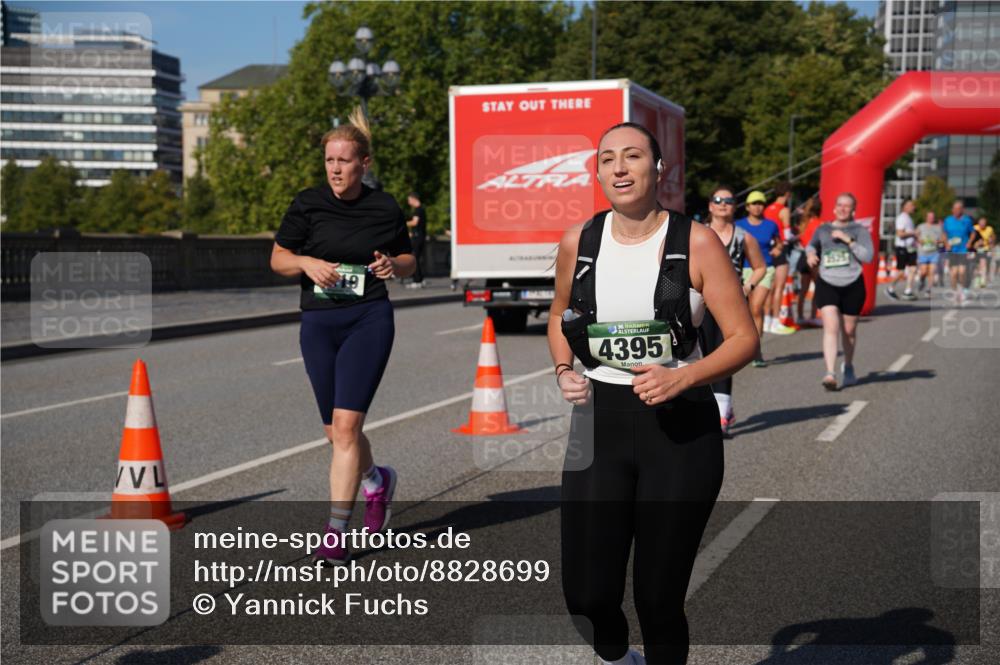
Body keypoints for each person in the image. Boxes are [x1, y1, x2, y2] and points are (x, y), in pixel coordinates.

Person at [547, 122, 758, 665]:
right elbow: (559, 316)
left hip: (681, 428)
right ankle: (621, 658)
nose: (619, 168)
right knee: (587, 596)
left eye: (633, 156)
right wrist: (564, 369)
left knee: (658, 598)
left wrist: (683, 376)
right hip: (598, 424)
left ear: (658, 168)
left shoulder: (697, 241)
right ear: (596, 172)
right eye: (607, 158)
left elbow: (743, 340)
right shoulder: (581, 240)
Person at [270, 107, 416, 565]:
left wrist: (395, 266)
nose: (335, 169)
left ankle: (335, 532)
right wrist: (306, 263)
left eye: (344, 161)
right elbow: (278, 258)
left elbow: (410, 260)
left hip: (367, 318)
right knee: (334, 431)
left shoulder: (383, 206)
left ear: (364, 164)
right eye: (329, 161)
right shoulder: (307, 203)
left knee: (348, 426)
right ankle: (377, 480)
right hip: (318, 322)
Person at [700, 185, 766, 436]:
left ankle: (721, 412)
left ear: (734, 206)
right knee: (702, 355)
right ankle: (709, 407)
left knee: (725, 355)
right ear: (710, 205)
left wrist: (748, 286)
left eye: (728, 200)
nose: (723, 204)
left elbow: (760, 267)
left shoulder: (743, 236)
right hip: (701, 304)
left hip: (731, 304)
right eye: (718, 200)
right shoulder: (699, 234)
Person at [806, 192, 874, 390]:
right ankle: (830, 373)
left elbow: (868, 256)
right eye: (840, 205)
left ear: (853, 210)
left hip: (853, 283)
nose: (843, 209)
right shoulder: (823, 229)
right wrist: (810, 254)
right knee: (831, 327)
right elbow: (811, 245)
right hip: (827, 282)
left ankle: (849, 365)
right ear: (834, 208)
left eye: (848, 206)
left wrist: (848, 240)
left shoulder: (859, 230)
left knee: (849, 331)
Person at [737, 191, 785, 366]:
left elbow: (779, 242)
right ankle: (746, 347)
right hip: (744, 270)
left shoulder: (771, 225)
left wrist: (778, 250)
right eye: (754, 203)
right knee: (747, 311)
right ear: (748, 206)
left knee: (756, 308)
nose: (757, 206)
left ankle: (756, 351)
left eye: (761, 203)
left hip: (765, 269)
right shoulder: (738, 224)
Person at [764, 182, 797, 334]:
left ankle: (766, 320)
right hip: (780, 249)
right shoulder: (784, 210)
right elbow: (787, 235)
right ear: (787, 194)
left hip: (768, 250)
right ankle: (776, 322)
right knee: (779, 288)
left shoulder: (767, 209)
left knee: (768, 288)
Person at [794, 195, 822, 326]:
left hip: (803, 257)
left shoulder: (804, 223)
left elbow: (801, 239)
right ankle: (812, 316)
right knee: (818, 288)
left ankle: (799, 316)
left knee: (803, 290)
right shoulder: (820, 224)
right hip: (814, 257)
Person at [943, 200, 975, 304]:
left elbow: (973, 233)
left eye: (959, 208)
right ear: (952, 210)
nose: (956, 210)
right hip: (952, 250)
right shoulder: (948, 220)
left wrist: (969, 242)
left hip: (963, 249)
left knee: (961, 272)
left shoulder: (967, 220)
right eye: (955, 208)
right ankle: (955, 292)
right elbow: (944, 233)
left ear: (962, 210)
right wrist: (946, 243)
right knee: (953, 274)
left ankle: (962, 291)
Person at [885, 199, 918, 300]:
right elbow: (900, 234)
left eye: (913, 205)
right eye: (911, 205)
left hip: (910, 248)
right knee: (901, 272)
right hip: (902, 248)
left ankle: (908, 291)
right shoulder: (902, 218)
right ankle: (890, 288)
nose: (913, 207)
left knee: (913, 268)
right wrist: (913, 233)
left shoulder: (909, 218)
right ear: (904, 207)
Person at [915, 210, 945, 298]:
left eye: (932, 217)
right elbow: (915, 235)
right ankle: (922, 281)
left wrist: (938, 241)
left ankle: (928, 290)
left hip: (934, 252)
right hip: (923, 252)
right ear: (926, 217)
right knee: (924, 271)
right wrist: (919, 240)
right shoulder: (921, 226)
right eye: (929, 217)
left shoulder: (938, 227)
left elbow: (943, 239)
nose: (931, 218)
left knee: (932, 272)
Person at [406, 192, 428, 288]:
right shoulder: (422, 209)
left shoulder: (417, 210)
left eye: (409, 200)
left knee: (414, 258)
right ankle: (421, 279)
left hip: (417, 238)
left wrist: (403, 223)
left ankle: (417, 281)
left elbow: (415, 223)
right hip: (420, 236)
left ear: (413, 199)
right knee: (417, 258)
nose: (408, 202)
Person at [970, 216, 996, 289]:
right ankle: (977, 280)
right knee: (975, 266)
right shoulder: (974, 228)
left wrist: (991, 246)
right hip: (975, 249)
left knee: (983, 264)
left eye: (984, 223)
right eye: (981, 223)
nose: (982, 224)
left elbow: (993, 237)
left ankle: (983, 280)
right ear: (978, 223)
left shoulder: (989, 229)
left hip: (985, 249)